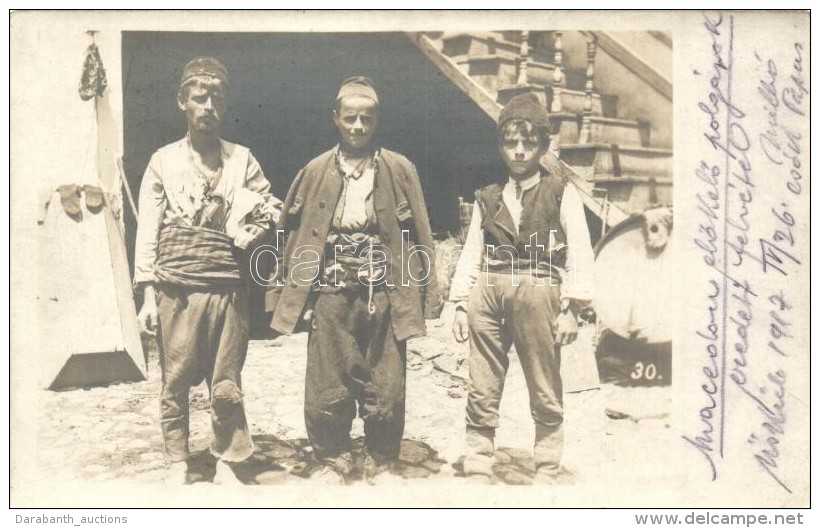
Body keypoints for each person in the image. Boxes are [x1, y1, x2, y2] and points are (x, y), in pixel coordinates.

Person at [266, 76, 442, 483]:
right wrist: (292, 294)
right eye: (350, 119)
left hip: (384, 291)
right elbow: (291, 234)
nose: (358, 127)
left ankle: (382, 455)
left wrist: (426, 293)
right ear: (336, 119)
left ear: (376, 120)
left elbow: (420, 233)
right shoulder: (314, 171)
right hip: (331, 290)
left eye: (366, 119)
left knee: (387, 382)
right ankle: (333, 455)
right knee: (329, 376)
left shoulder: (400, 169)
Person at [134, 57, 279, 485]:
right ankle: (177, 458)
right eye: (200, 97)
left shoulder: (242, 161)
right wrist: (147, 296)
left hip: (227, 286)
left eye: (217, 97)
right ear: (183, 102)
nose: (209, 106)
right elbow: (148, 229)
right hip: (175, 287)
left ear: (225, 105)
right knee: (175, 376)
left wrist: (255, 222)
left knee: (226, 378)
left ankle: (228, 459)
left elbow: (270, 204)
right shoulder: (163, 161)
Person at [449, 92, 594, 484]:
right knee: (482, 382)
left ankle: (547, 465)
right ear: (501, 145)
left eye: (528, 143)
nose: (518, 152)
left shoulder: (561, 191)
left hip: (539, 291)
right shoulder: (488, 195)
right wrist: (461, 303)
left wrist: (572, 309)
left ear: (543, 146)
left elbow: (579, 250)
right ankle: (479, 459)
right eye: (510, 143)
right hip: (489, 291)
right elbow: (472, 251)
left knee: (544, 383)